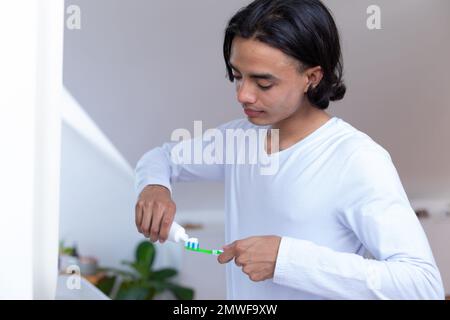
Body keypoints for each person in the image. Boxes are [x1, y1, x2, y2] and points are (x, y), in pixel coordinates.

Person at [134, 0, 444, 299]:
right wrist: (154, 186)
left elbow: (421, 285)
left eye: (263, 83)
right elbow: (161, 158)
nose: (243, 95)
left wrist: (288, 260)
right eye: (237, 76)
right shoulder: (239, 140)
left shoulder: (357, 159)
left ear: (312, 77)